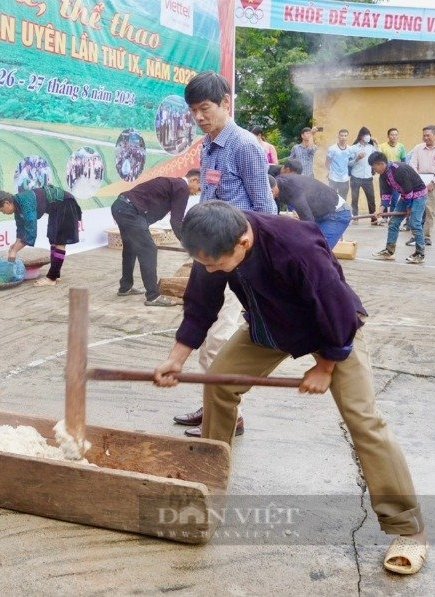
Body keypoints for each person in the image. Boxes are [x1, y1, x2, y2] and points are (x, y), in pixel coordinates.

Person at [155, 201, 427, 576]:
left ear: (244, 241)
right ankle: (210, 487)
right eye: (205, 264)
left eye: (216, 264)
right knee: (219, 383)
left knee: (364, 420)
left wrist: (326, 365)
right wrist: (177, 358)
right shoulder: (212, 246)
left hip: (331, 332)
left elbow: (339, 311)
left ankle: (409, 529)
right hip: (268, 327)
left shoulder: (295, 248)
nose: (211, 270)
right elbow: (201, 305)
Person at [171, 70, 276, 436]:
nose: (199, 117)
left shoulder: (245, 146)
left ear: (226, 103)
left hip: (238, 259)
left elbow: (264, 209)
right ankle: (213, 406)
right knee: (204, 327)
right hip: (211, 256)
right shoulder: (209, 145)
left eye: (204, 109)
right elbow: (208, 200)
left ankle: (227, 417)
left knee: (218, 340)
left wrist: (257, 264)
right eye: (193, 111)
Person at [110, 172, 200, 306]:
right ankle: (153, 296)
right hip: (130, 210)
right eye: (199, 188)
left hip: (121, 206)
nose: (197, 193)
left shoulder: (174, 184)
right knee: (149, 249)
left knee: (131, 247)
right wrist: (188, 245)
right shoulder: (182, 187)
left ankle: (125, 287)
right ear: (194, 180)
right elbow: (176, 221)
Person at [0, 184, 83, 286]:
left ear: (7, 203)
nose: (3, 213)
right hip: (56, 208)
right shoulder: (17, 204)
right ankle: (55, 275)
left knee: (59, 242)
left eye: (2, 210)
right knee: (53, 240)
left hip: (65, 203)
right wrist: (15, 245)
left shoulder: (25, 202)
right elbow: (21, 229)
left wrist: (14, 251)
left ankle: (51, 278)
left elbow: (31, 232)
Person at [369, 151, 428, 265]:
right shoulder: (383, 175)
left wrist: (409, 207)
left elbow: (408, 189)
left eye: (374, 167)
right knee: (393, 222)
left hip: (418, 195)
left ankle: (420, 253)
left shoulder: (399, 169)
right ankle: (389, 251)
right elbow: (386, 193)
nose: (374, 171)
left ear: (381, 164)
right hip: (406, 196)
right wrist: (381, 209)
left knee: (415, 223)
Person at [271, 173, 351, 248]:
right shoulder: (276, 182)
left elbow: (308, 220)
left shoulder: (293, 189)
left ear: (274, 187)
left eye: (271, 192)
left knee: (318, 250)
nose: (269, 195)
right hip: (318, 215)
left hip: (337, 215)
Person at [408, 125, 435, 247]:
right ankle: (414, 235)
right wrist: (418, 181)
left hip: (434, 183)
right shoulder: (418, 148)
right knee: (416, 209)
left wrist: (433, 182)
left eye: (428, 135)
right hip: (418, 182)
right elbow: (412, 164)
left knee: (430, 210)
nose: (425, 138)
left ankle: (426, 236)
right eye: (424, 135)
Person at [348, 127, 379, 225]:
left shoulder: (371, 148)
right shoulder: (353, 148)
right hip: (355, 177)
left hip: (368, 177)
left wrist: (377, 144)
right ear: (361, 136)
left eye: (369, 135)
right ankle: (355, 218)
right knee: (355, 198)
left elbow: (379, 156)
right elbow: (349, 163)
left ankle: (373, 218)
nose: (368, 137)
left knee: (371, 199)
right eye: (366, 135)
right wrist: (357, 158)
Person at [379, 128, 407, 216]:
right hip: (384, 175)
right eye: (392, 134)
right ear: (388, 136)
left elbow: (403, 161)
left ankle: (392, 216)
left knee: (395, 198)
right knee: (384, 195)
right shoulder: (382, 146)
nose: (394, 136)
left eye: (396, 135)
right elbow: (380, 160)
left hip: (396, 176)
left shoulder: (401, 147)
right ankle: (384, 216)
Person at [326, 129, 352, 201]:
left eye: (345, 136)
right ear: (338, 136)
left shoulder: (350, 149)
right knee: (331, 198)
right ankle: (332, 212)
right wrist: (330, 171)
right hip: (333, 178)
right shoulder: (332, 149)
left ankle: (341, 212)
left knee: (343, 200)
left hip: (345, 179)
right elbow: (327, 163)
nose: (343, 137)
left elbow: (351, 163)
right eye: (341, 135)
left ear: (347, 137)